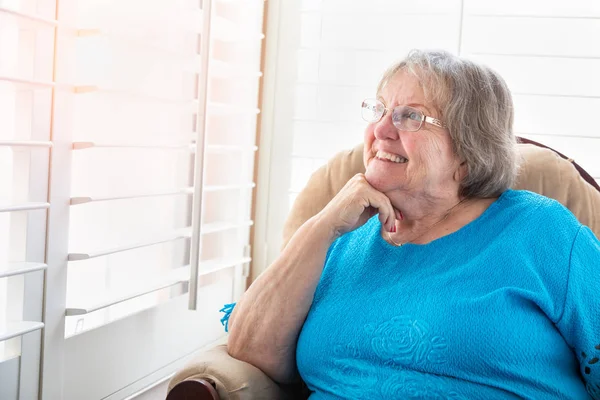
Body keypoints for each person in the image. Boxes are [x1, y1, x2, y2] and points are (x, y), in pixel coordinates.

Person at [223, 50, 600, 399]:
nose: (382, 130)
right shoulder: (339, 237)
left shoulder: (542, 233)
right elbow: (249, 350)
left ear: (468, 152)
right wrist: (323, 227)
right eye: (380, 110)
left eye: (410, 116)